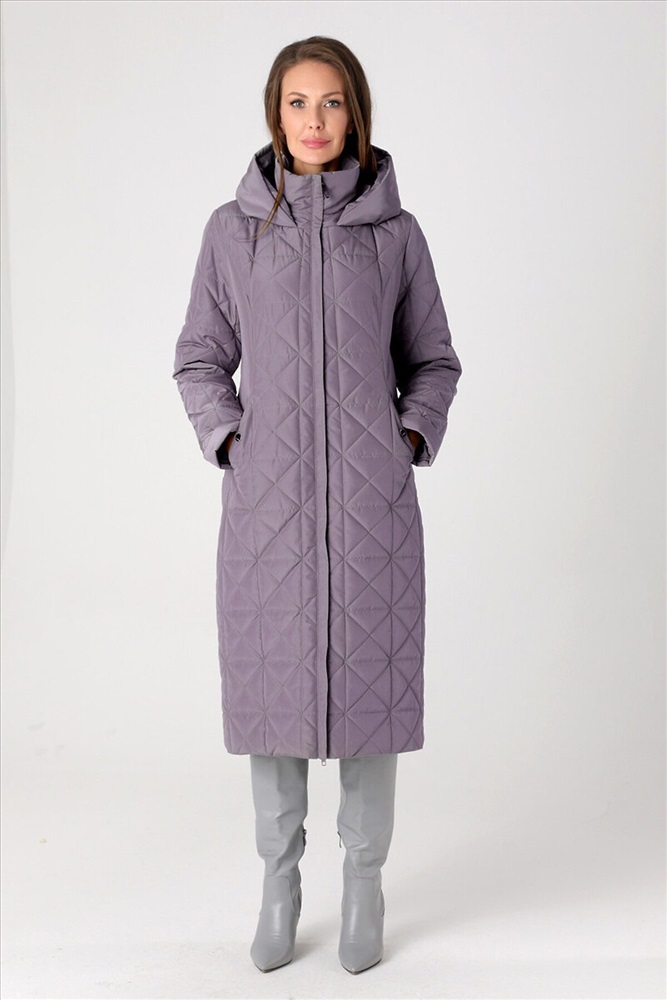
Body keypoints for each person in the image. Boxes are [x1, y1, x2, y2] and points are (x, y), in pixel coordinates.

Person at [172, 35, 462, 975]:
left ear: (355, 114)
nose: (313, 120)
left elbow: (433, 360)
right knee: (273, 696)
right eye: (297, 103)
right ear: (274, 113)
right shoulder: (232, 231)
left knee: (373, 696)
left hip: (374, 514)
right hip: (268, 513)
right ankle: (279, 884)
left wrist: (404, 440)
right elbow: (199, 356)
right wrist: (233, 442)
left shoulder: (396, 235)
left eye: (330, 102)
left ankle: (365, 884)